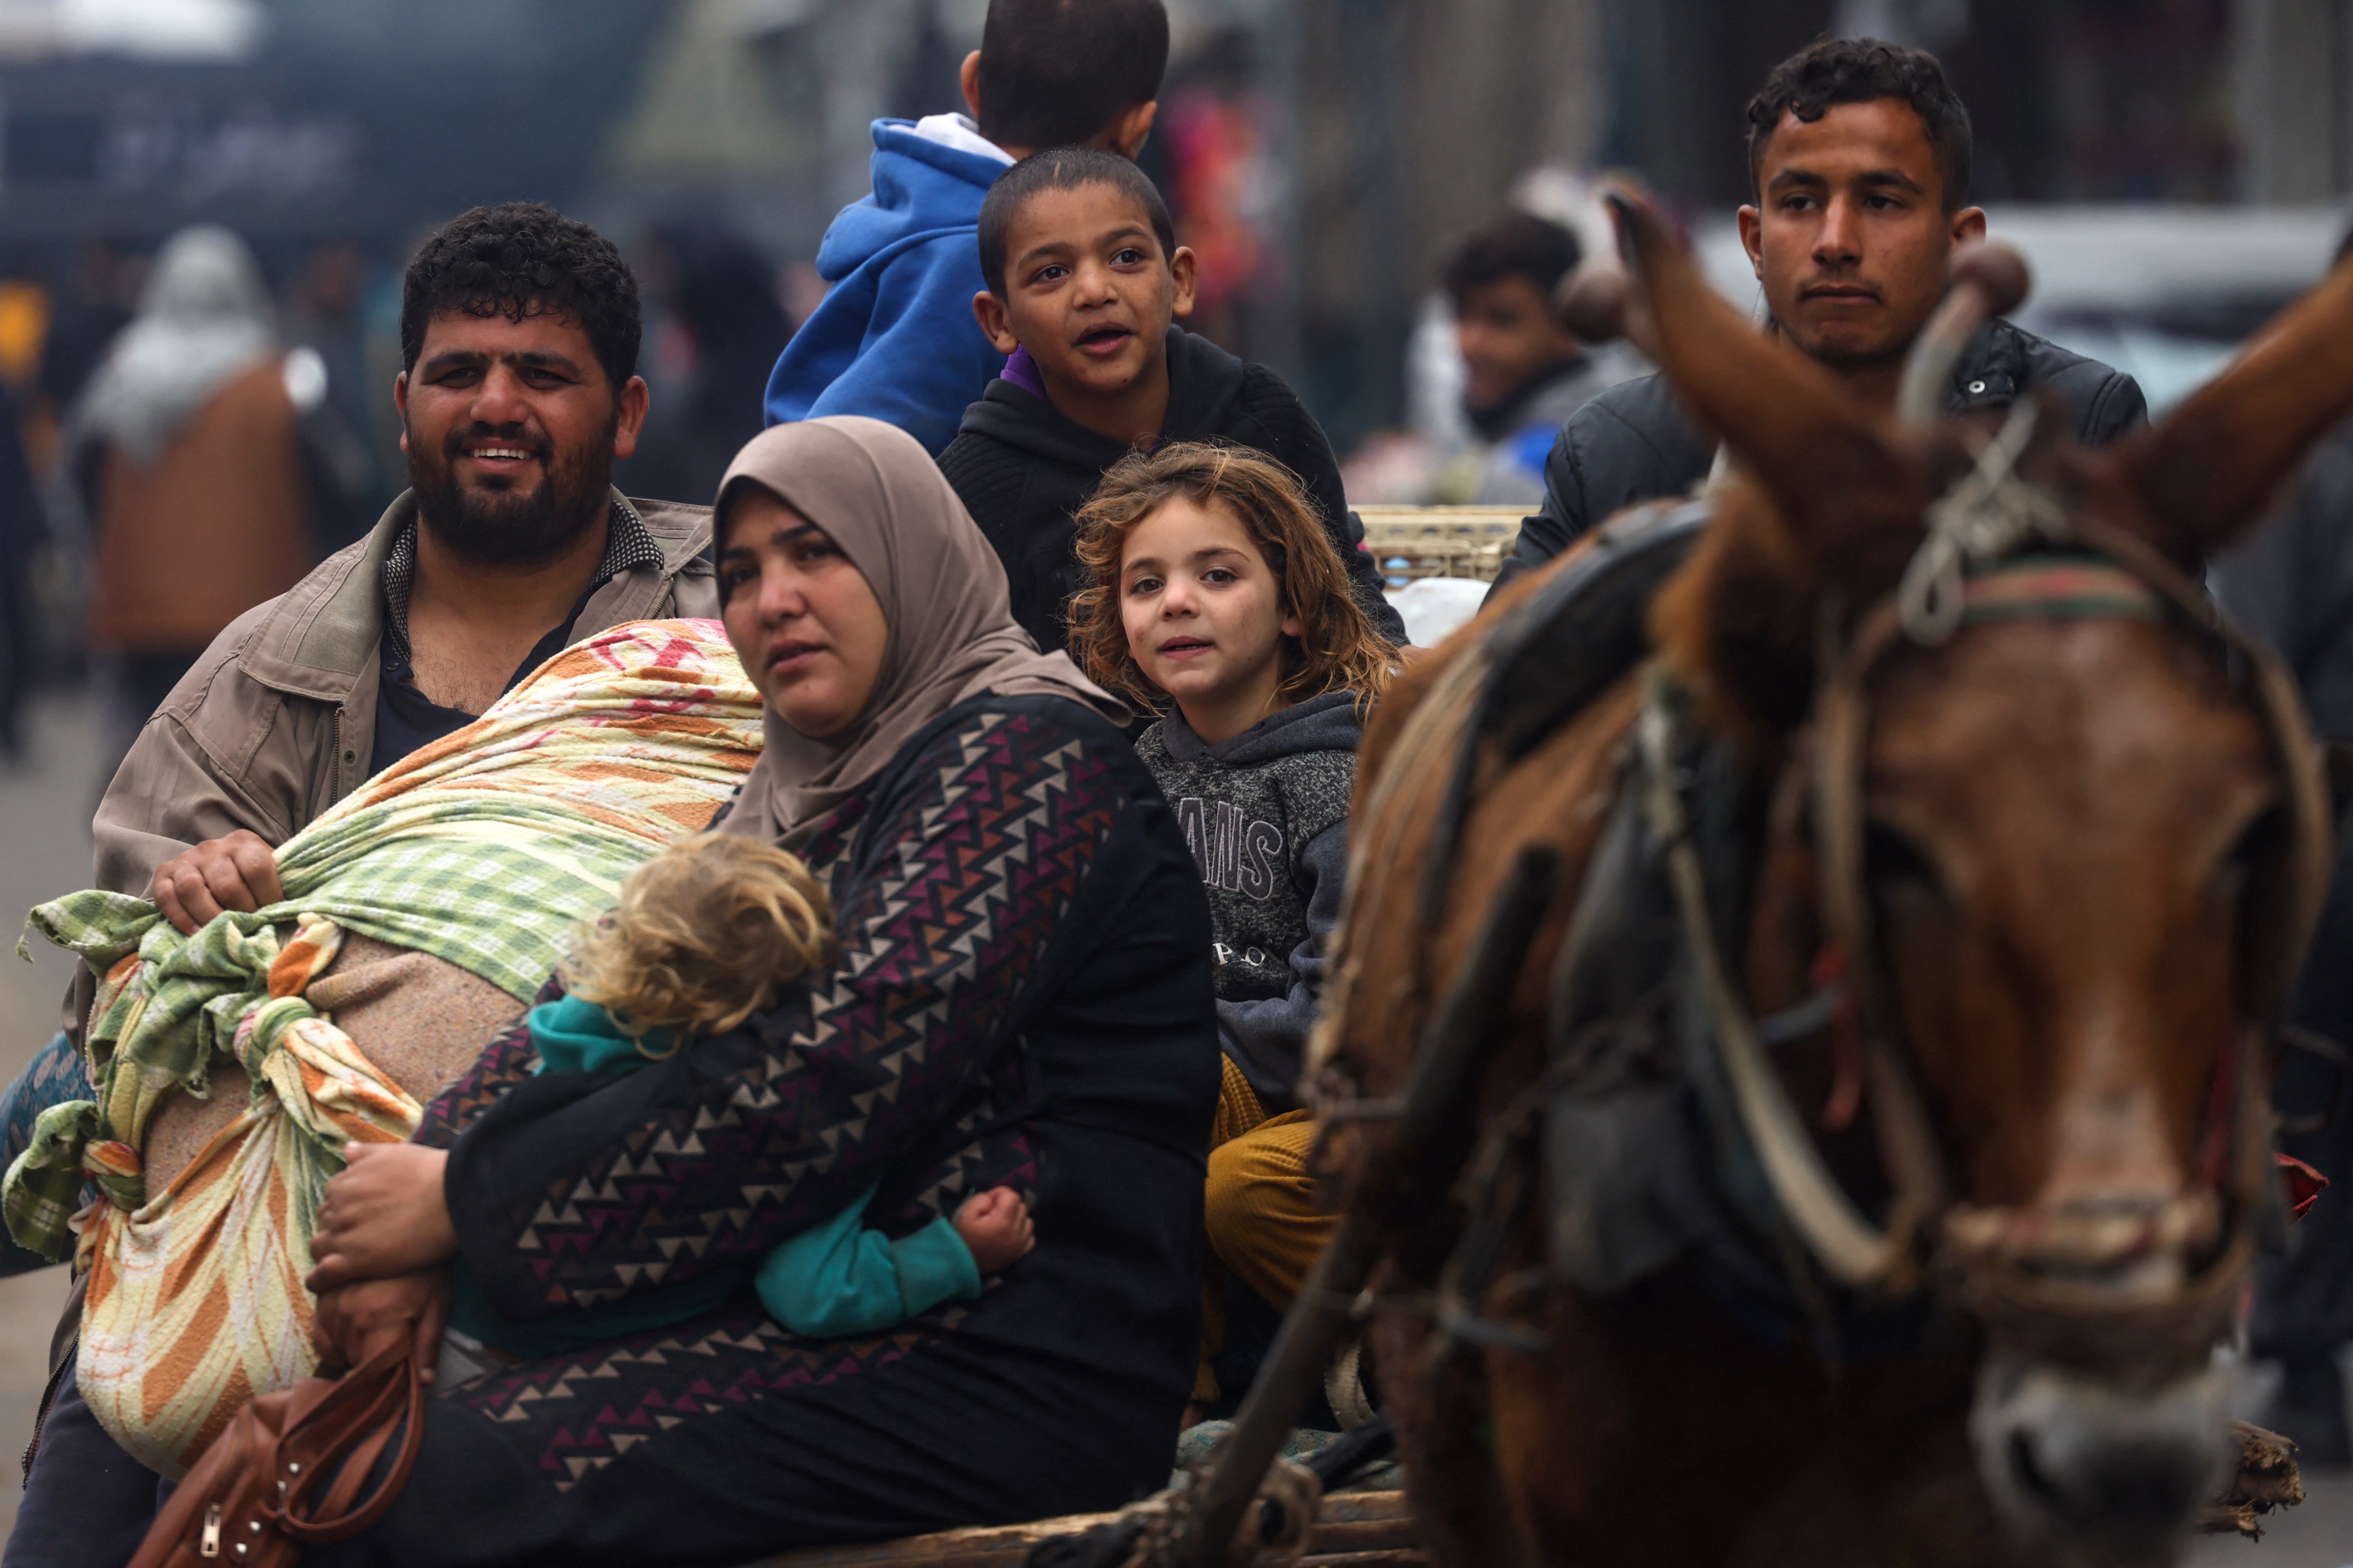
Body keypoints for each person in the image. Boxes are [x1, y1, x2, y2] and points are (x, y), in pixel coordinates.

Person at [284, 416, 1217, 1564]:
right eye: (739, 573)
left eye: (816, 552)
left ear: (905, 553)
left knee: (437, 1485)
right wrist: (417, 1218)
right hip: (802, 1316)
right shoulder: (789, 800)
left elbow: (830, 1073)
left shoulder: (1031, 758)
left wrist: (473, 1202)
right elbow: (586, 1003)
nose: (772, 599)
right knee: (330, 1452)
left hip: (1014, 1347)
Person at [1489, 36, 2147, 595]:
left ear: (1961, 242)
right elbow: (1498, 704)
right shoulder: (1617, 452)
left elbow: (2166, 699)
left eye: (1882, 202)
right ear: (1754, 241)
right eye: (1800, 202)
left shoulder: (2078, 426)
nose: (1835, 241)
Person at [443, 830, 1036, 1367]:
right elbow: (810, 1296)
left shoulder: (574, 1039)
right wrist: (954, 1256)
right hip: (531, 1355)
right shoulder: (783, 1128)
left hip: (451, 1303)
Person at [1066, 440, 1388, 1410]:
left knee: (1227, 1164)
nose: (1177, 601)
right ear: (1120, 627)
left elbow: (1352, 1004)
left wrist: (1177, 1048)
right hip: (1198, 1074)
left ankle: (1402, 1350)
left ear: (1292, 606)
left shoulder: (1340, 768)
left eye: (1217, 574)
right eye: (1146, 583)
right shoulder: (1134, 771)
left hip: (1335, 1092)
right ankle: (1167, 1395)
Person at [939, 148, 1406, 657]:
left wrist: (1394, 674)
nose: (1094, 291)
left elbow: (1344, 587)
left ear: (1180, 280)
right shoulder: (976, 489)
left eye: (1126, 258)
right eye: (1052, 273)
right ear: (999, 322)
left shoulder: (1259, 411)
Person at [762, 0, 1169, 454]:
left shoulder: (939, 216)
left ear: (973, 82)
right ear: (1137, 129)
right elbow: (848, 461)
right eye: (1052, 274)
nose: (1093, 290)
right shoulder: (974, 256)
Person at [2213, 403, 2353, 1465]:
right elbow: (2261, 672)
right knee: (2316, 1093)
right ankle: (2299, 1352)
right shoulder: (2300, 478)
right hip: (2335, 832)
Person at [73, 226, 316, 779]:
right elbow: (337, 484)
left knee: (149, 752)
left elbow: (76, 478)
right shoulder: (278, 380)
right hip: (254, 609)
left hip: (138, 605)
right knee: (237, 761)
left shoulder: (119, 373)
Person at [1440, 209, 1624, 506]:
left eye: (1502, 320)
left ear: (1567, 321)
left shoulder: (1549, 460)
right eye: (1463, 315)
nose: (1471, 344)